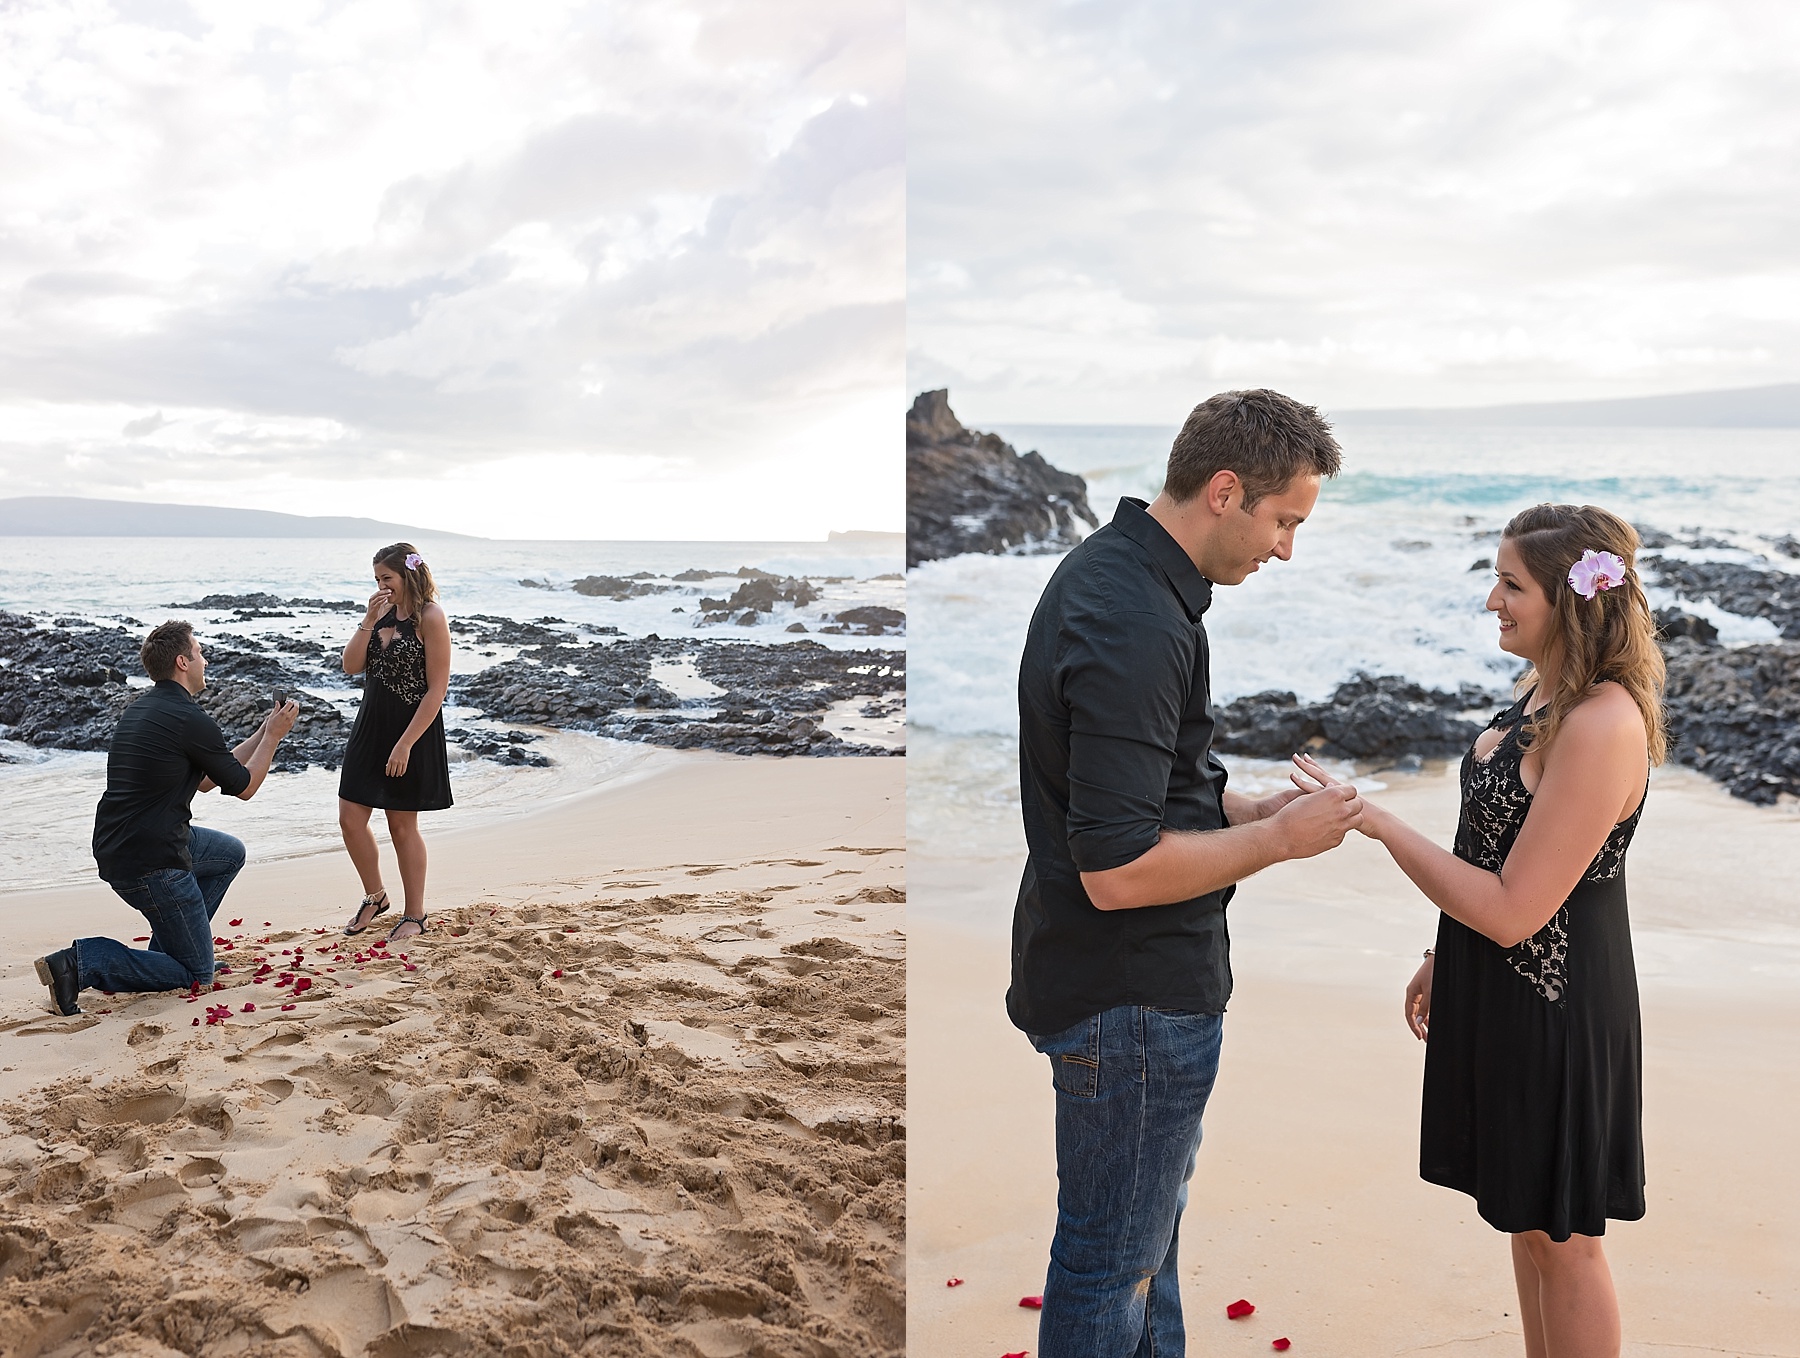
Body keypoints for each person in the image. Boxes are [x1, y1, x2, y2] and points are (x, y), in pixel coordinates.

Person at [1011, 389, 1364, 1357]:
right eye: (1285, 519)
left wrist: (1245, 811)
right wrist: (1280, 841)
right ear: (1224, 490)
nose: (1287, 547)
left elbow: (1132, 798)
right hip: (1127, 993)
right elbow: (1119, 870)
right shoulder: (1133, 618)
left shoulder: (1127, 580)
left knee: (1141, 1251)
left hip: (1118, 984)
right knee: (1106, 1263)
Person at [1295, 503, 1659, 1358]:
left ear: (1573, 600)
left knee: (1564, 1237)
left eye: (1511, 583)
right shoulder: (1541, 691)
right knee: (1526, 1226)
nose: (1492, 600)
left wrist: (1376, 823)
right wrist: (1439, 950)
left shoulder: (1601, 721)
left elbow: (1514, 906)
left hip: (1558, 1000)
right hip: (1496, 981)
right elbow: (1495, 849)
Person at [34, 621, 300, 1016]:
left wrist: (263, 730)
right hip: (153, 861)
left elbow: (209, 781)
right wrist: (275, 738)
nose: (205, 660)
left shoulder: (141, 710)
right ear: (182, 661)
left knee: (229, 853)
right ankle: (79, 962)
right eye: (199, 653)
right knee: (196, 974)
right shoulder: (190, 719)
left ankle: (176, 950)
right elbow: (245, 787)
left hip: (118, 846)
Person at [338, 542, 452, 941]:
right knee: (350, 819)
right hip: (369, 727)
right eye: (376, 579)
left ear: (408, 575)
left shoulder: (431, 617)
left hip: (411, 731)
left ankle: (415, 915)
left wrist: (405, 744)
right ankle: (375, 897)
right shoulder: (379, 613)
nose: (381, 586)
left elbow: (437, 690)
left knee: (402, 826)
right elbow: (351, 666)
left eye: (387, 578)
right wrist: (368, 619)